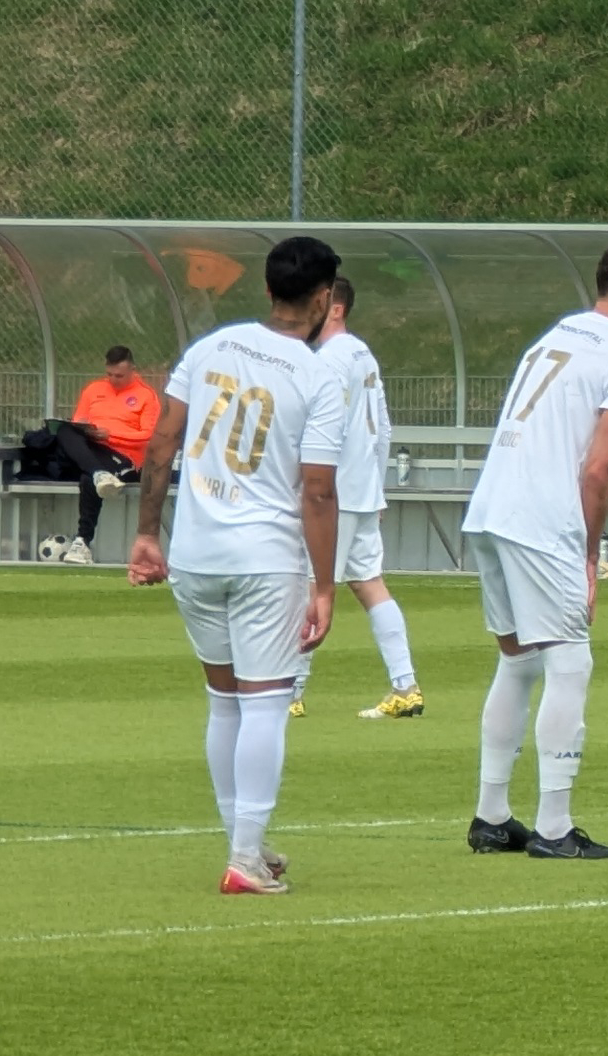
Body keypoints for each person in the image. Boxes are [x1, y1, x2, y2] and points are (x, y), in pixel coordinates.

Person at [123, 237, 346, 895]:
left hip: (195, 552)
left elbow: (163, 438)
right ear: (324, 298)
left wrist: (145, 534)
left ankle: (243, 843)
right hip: (264, 558)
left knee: (224, 701)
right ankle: (244, 856)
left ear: (270, 290)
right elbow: (318, 490)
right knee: (267, 702)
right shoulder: (317, 375)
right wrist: (327, 585)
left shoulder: (210, 346)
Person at [460, 241, 608, 862]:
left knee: (518, 660)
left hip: (492, 507)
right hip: (542, 518)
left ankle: (492, 815)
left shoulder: (559, 334)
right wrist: (588, 552)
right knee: (570, 662)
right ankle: (554, 826)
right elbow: (598, 469)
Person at [291, 278, 424, 721]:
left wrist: (308, 486)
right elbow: (383, 426)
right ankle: (405, 686)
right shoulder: (363, 353)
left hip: (334, 493)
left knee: (311, 585)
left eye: (317, 303)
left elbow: (318, 429)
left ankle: (290, 690)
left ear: (334, 308)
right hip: (363, 488)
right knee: (369, 584)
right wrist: (379, 488)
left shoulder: (327, 360)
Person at [35, 346, 160, 567]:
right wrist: (87, 431)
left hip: (123, 457)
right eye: (109, 374)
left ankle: (82, 542)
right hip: (92, 452)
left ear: (132, 369)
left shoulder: (146, 396)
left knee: (87, 478)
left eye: (119, 376)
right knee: (65, 431)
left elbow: (148, 436)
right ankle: (99, 473)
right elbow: (78, 422)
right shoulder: (94, 389)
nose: (113, 380)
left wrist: (110, 434)